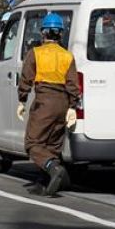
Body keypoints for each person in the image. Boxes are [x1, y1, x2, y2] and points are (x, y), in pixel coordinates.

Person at [17, 12, 81, 197]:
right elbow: (72, 85)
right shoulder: (67, 56)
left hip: (44, 101)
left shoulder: (35, 53)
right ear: (60, 34)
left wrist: (21, 100)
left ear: (43, 33)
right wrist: (72, 107)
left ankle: (53, 168)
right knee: (52, 145)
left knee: (33, 143)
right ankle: (43, 183)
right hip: (62, 104)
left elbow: (26, 79)